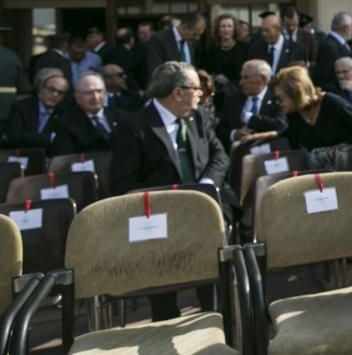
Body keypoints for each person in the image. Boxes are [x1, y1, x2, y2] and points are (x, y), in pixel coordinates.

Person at [111, 61, 234, 321]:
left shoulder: (199, 116)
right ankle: (165, 321)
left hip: (204, 205)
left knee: (214, 238)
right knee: (156, 245)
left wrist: (208, 184)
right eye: (196, 89)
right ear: (178, 93)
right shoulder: (133, 126)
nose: (201, 95)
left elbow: (219, 155)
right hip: (160, 214)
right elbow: (123, 183)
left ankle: (216, 317)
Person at [272, 66, 352, 165]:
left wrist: (343, 149)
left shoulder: (331, 102)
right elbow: (294, 143)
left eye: (280, 98)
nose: (278, 103)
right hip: (319, 169)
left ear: (296, 93)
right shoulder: (293, 114)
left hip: (348, 164)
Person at [219, 59, 286, 152]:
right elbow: (220, 128)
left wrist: (250, 118)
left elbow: (280, 125)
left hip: (267, 154)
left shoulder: (277, 99)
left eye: (246, 78)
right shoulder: (233, 99)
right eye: (241, 77)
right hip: (237, 154)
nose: (241, 82)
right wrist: (234, 134)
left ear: (262, 79)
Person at [51, 71, 123, 155]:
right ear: (77, 97)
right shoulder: (66, 123)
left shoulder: (121, 116)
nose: (95, 97)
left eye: (99, 91)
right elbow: (65, 158)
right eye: (89, 93)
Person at [6, 67, 68, 151]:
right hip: (21, 155)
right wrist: (50, 138)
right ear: (41, 89)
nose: (55, 94)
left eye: (60, 92)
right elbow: (14, 137)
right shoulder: (21, 107)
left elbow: (64, 143)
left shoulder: (65, 112)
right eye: (51, 89)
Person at [145, 12, 206, 82]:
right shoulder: (159, 39)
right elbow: (155, 70)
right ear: (184, 27)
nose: (197, 38)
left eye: (199, 35)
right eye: (195, 34)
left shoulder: (191, 43)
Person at [248, 11, 305, 78]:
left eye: (267, 30)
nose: (263, 34)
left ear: (278, 29)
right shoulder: (255, 48)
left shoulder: (296, 49)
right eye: (262, 30)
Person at [201, 13, 248, 89]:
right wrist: (215, 77)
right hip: (218, 92)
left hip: (240, 89)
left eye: (229, 26)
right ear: (218, 29)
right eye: (223, 26)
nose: (226, 29)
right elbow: (205, 71)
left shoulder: (244, 48)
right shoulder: (212, 50)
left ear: (234, 28)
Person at [311, 11, 352, 89]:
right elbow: (324, 76)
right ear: (346, 28)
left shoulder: (337, 43)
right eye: (351, 26)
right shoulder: (329, 46)